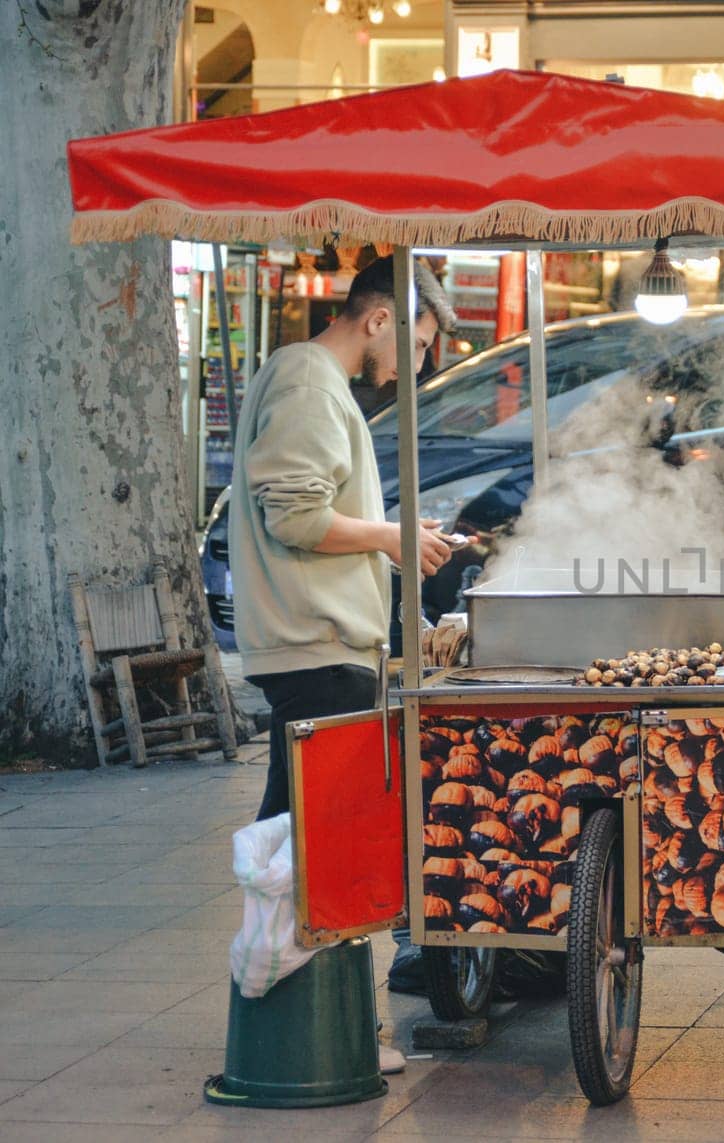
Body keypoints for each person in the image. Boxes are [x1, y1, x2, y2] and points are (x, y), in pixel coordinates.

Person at [232, 255, 457, 1069]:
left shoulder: (314, 383)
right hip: (314, 643)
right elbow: (296, 515)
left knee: (303, 834)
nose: (420, 364)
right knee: (312, 839)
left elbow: (318, 509)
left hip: (323, 640)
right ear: (379, 319)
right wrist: (395, 537)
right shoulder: (309, 382)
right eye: (422, 342)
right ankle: (301, 1020)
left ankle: (321, 1017)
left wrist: (398, 543)